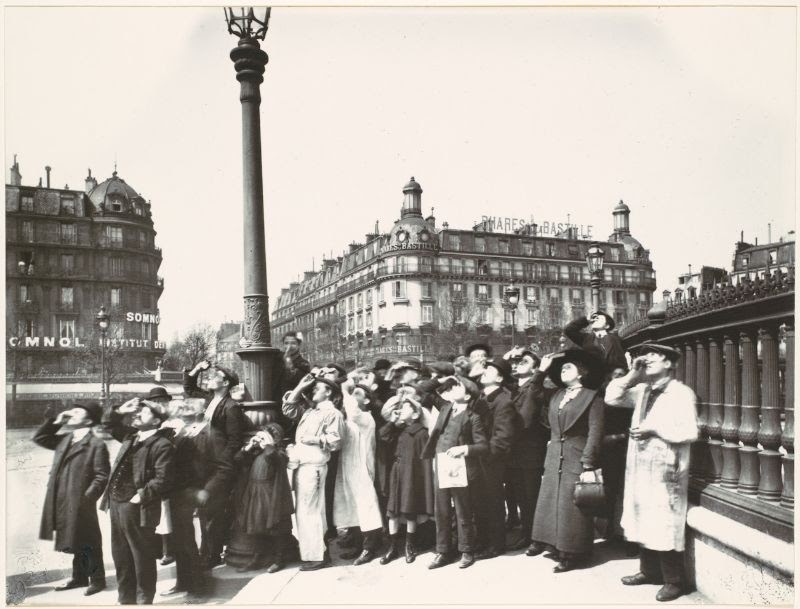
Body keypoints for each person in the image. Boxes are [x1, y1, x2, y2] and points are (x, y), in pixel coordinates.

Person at [605, 342, 699, 602]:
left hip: (666, 467)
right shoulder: (643, 390)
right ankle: (649, 571)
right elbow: (612, 397)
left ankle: (674, 581)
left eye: (655, 356)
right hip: (641, 465)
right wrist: (632, 375)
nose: (648, 359)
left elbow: (689, 432)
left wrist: (655, 430)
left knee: (664, 520)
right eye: (645, 356)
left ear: (670, 363)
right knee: (641, 515)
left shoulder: (681, 393)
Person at [527, 349, 605, 573]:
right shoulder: (557, 395)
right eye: (561, 368)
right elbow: (534, 393)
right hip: (554, 456)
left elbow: (595, 431)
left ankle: (572, 552)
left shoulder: (592, 397)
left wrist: (588, 462)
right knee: (552, 502)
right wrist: (540, 372)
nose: (563, 370)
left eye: (568, 367)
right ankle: (553, 544)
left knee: (573, 506)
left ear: (582, 373)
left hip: (577, 456)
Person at [102, 399, 175, 605]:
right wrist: (119, 409)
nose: (138, 413)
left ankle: (144, 600)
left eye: (145, 411)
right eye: (139, 409)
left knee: (141, 557)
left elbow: (163, 478)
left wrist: (140, 496)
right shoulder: (131, 436)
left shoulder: (162, 444)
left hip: (139, 507)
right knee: (121, 555)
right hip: (116, 504)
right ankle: (125, 599)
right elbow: (108, 424)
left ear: (157, 421)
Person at [34, 402, 109, 596]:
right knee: (74, 535)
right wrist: (55, 422)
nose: (72, 414)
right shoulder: (67, 438)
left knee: (89, 538)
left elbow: (102, 475)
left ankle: (98, 580)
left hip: (81, 500)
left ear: (89, 419)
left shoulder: (96, 444)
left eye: (78, 411)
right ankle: (79, 577)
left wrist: (87, 497)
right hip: (63, 497)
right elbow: (41, 438)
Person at [183, 360, 245, 568]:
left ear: (226, 383)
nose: (210, 378)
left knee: (213, 512)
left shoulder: (231, 407)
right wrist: (197, 369)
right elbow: (189, 389)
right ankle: (207, 552)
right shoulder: (209, 399)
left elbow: (235, 441)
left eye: (214, 376)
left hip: (218, 467)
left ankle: (211, 555)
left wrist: (222, 464)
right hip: (203, 463)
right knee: (205, 511)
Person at [421, 376, 488, 570]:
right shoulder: (445, 408)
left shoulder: (473, 417)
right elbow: (425, 390)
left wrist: (465, 449)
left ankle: (466, 550)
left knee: (462, 510)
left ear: (467, 395)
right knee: (441, 510)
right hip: (441, 465)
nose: (452, 388)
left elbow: (483, 445)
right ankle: (443, 551)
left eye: (458, 386)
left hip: (461, 469)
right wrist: (443, 377)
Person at [283, 374, 344, 571]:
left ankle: (317, 555)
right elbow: (288, 408)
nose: (314, 390)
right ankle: (313, 552)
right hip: (303, 466)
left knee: (311, 512)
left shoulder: (332, 413)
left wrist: (315, 439)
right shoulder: (311, 411)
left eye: (318, 388)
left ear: (329, 392)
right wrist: (301, 385)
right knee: (306, 511)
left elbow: (336, 441)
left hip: (314, 467)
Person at [158, 398, 208, 600]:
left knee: (185, 540)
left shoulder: (185, 435)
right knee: (178, 541)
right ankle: (184, 582)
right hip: (174, 492)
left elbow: (193, 467)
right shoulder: (175, 431)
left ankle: (196, 585)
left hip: (182, 493)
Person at [333, 371, 384, 566]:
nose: (353, 397)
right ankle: (357, 544)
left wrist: (346, 390)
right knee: (350, 504)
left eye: (358, 395)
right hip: (347, 464)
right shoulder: (349, 418)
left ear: (367, 402)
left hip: (361, 466)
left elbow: (353, 412)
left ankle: (371, 546)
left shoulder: (366, 418)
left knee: (365, 505)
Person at [233, 423, 295, 573]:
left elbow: (276, 459)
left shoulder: (279, 453)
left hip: (270, 495)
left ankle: (279, 559)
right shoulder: (256, 453)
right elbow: (238, 459)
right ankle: (257, 558)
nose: (259, 440)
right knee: (256, 526)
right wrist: (248, 447)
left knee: (275, 527)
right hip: (255, 492)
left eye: (263, 437)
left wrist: (268, 444)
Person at [379, 397, 435, 565]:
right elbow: (382, 436)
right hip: (397, 475)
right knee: (393, 512)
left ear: (416, 414)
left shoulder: (421, 434)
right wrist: (392, 421)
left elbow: (424, 462)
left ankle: (409, 545)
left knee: (411, 511)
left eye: (405, 407)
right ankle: (392, 547)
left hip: (412, 477)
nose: (400, 410)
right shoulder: (399, 429)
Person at [473, 357, 518, 560]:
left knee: (493, 502)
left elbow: (502, 436)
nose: (484, 371)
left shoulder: (503, 401)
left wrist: (487, 456)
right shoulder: (480, 396)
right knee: (480, 501)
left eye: (489, 370)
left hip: (491, 460)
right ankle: (482, 541)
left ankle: (495, 544)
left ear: (499, 378)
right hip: (478, 457)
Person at [503, 348, 548, 551]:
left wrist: (540, 374)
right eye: (518, 361)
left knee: (531, 496)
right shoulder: (512, 386)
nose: (519, 363)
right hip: (513, 451)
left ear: (535, 368)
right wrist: (504, 359)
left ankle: (535, 537)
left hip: (530, 450)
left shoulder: (537, 385)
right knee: (520, 495)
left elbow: (527, 417)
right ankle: (527, 533)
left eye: (526, 361)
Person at [564, 311, 627, 377]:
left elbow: (621, 357)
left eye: (599, 319)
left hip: (614, 377)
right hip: (594, 379)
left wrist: (620, 371)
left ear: (607, 326)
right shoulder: (585, 339)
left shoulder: (615, 338)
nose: (595, 320)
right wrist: (586, 320)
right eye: (594, 319)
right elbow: (568, 330)